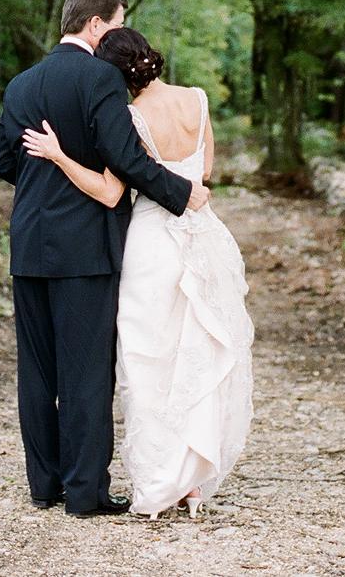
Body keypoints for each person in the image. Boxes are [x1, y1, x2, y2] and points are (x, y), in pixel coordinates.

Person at [0, 0, 211, 519]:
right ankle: (86, 493)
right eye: (116, 24)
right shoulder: (101, 79)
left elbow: (5, 164)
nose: (120, 34)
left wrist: (48, 170)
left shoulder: (21, 83)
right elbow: (125, 158)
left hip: (29, 243)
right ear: (96, 26)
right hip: (86, 247)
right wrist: (183, 195)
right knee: (87, 371)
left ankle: (44, 485)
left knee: (38, 371)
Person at [22, 27, 254, 520]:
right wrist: (188, 185)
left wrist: (59, 154)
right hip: (200, 234)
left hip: (151, 242)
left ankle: (158, 481)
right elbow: (204, 171)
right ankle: (194, 480)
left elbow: (113, 189)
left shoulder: (128, 117)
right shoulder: (198, 99)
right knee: (197, 351)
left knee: (147, 360)